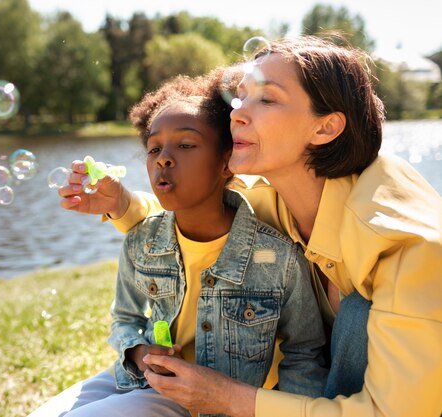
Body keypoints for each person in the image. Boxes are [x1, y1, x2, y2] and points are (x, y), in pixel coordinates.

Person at [58, 36, 442, 417]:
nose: (236, 113)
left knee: (357, 317)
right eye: (241, 97)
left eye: (267, 98)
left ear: (325, 128)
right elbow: (195, 212)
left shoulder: (408, 246)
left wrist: (224, 397)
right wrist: (122, 204)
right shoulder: (269, 196)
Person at [30, 67, 328, 417]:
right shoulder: (141, 239)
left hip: (201, 402)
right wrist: (140, 353)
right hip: (139, 378)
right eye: (154, 148)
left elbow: (306, 352)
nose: (163, 159)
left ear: (226, 164)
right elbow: (125, 318)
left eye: (186, 144)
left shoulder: (277, 258)